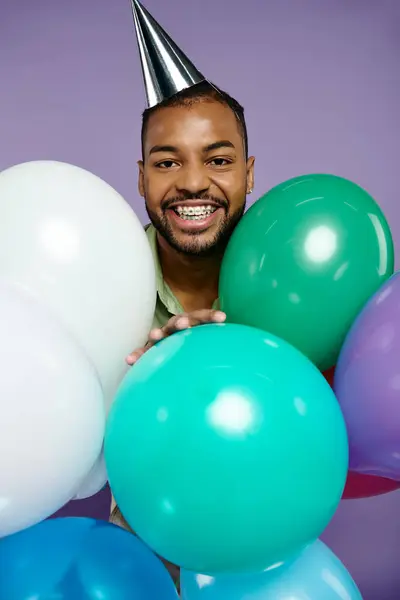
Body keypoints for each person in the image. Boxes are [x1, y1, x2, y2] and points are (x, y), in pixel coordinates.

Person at [110, 0, 255, 588]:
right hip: (141, 549)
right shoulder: (101, 282)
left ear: (250, 172)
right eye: (167, 162)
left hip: (271, 545)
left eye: (217, 160)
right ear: (141, 176)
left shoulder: (293, 279)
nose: (194, 182)